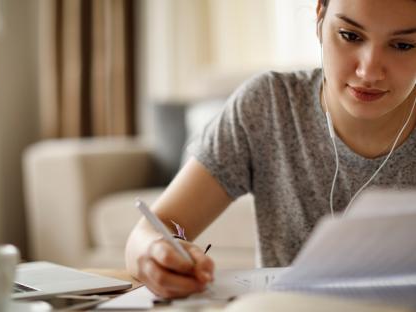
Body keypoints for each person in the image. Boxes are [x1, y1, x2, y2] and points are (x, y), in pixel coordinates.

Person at [125, 0, 416, 299]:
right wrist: (156, 253)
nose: (368, 71)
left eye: (403, 45)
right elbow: (151, 230)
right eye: (350, 35)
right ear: (319, 17)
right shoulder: (268, 105)